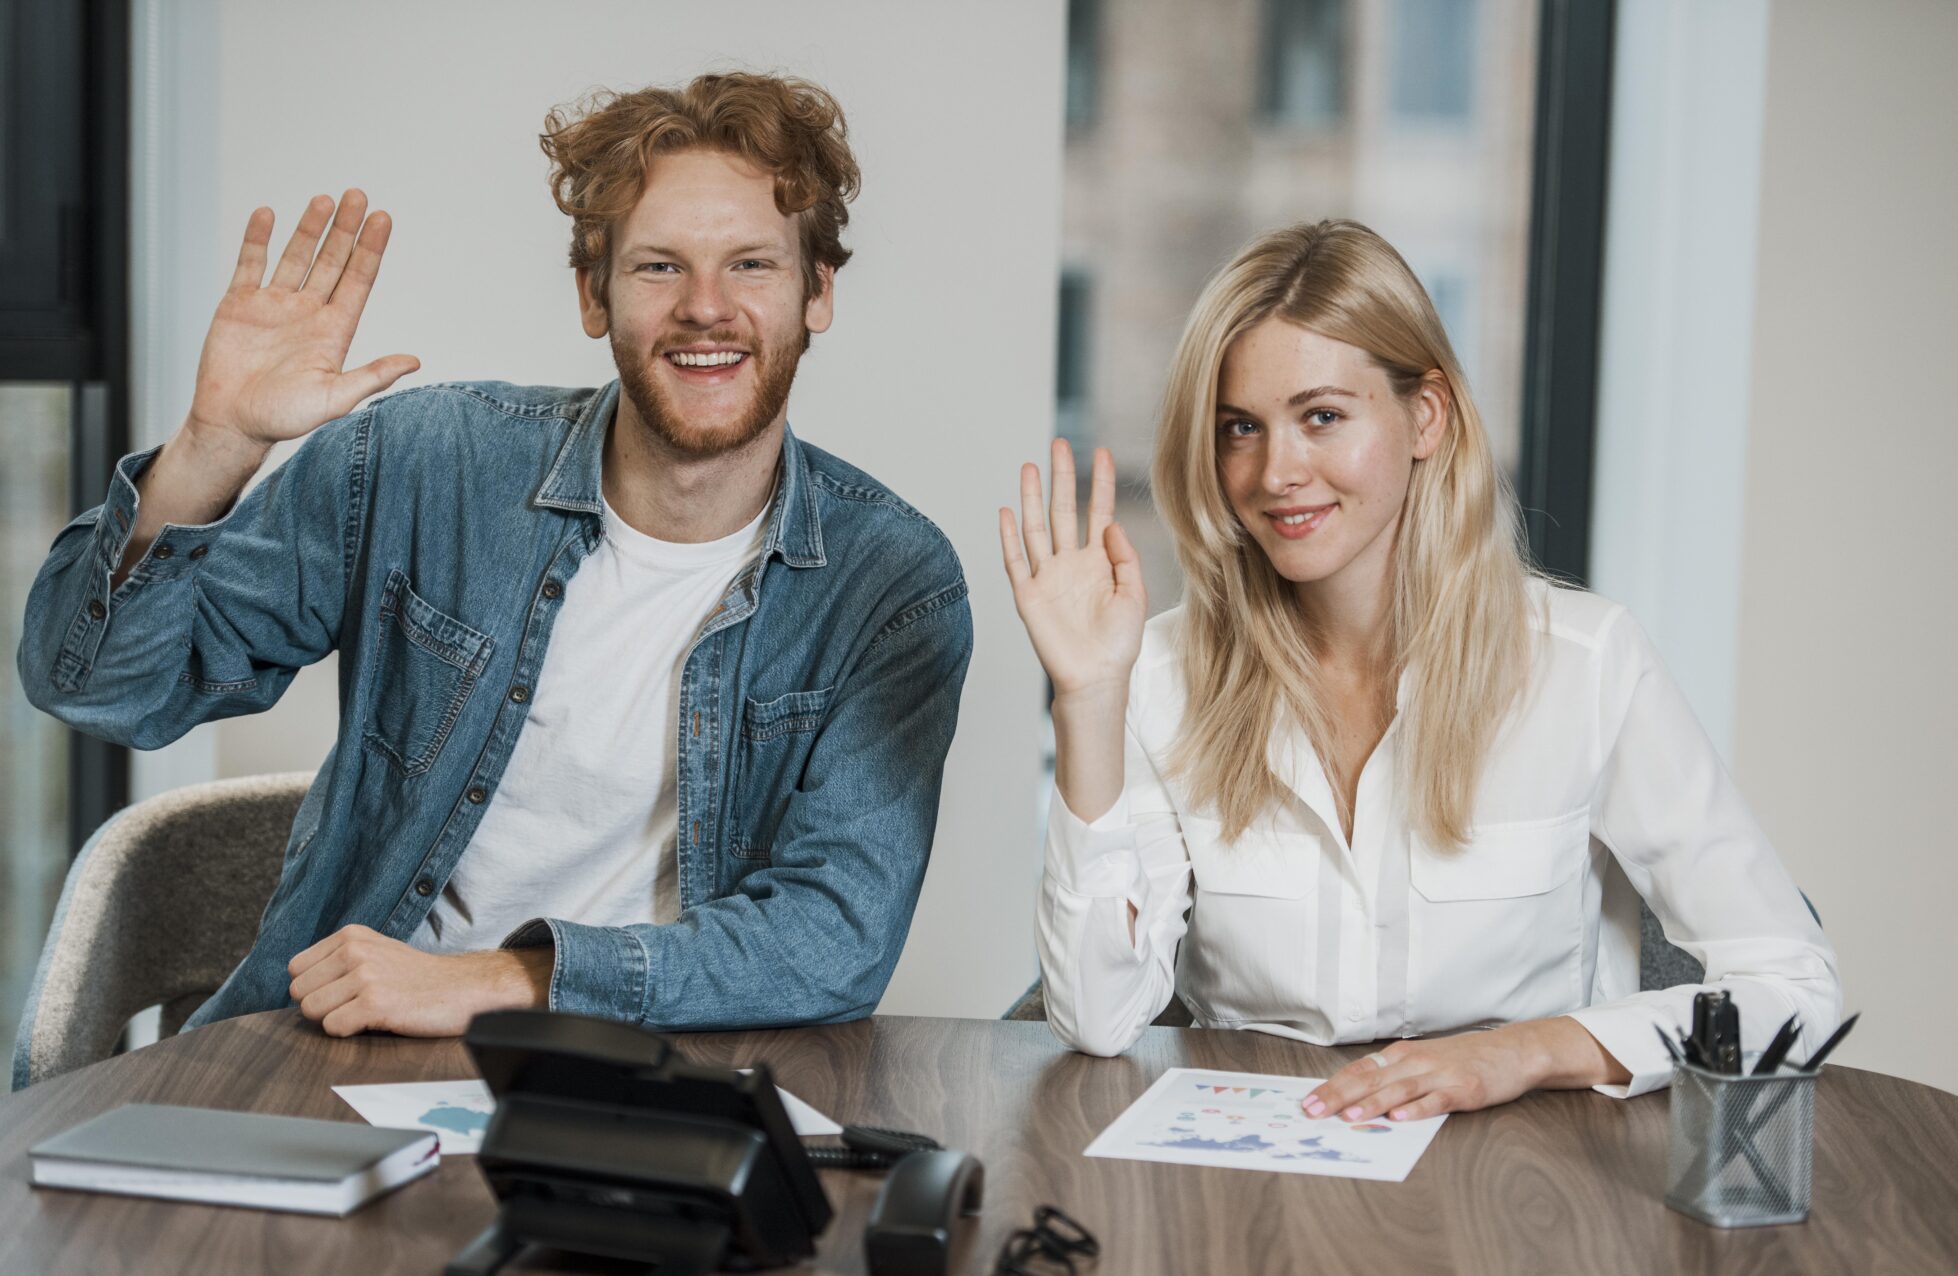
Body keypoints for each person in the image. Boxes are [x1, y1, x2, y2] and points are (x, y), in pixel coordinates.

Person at [18, 73, 971, 1039]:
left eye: (753, 265)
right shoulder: (419, 463)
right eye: (658, 268)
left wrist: (497, 980)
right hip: (346, 1053)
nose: (705, 308)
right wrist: (213, 447)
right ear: (593, 296)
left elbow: (834, 938)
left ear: (818, 293)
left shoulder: (889, 584)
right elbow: (96, 687)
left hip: (666, 1076)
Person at [1000, 219, 1839, 1123]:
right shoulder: (1161, 671)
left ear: (1425, 417)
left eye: (1322, 416)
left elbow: (1793, 986)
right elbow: (1095, 1017)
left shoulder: (1585, 663)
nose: (1276, 470)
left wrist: (1524, 1050)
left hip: (1518, 1179)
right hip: (1261, 1171)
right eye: (1242, 428)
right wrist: (1087, 698)